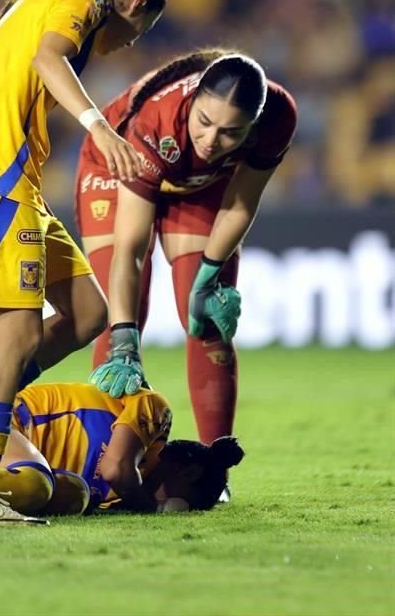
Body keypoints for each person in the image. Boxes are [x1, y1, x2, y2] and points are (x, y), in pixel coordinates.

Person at [0, 0, 168, 527]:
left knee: (88, 312)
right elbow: (47, 59)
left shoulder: (32, 0)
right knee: (16, 339)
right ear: (134, 8)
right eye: (136, 36)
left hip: (10, 182)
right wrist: (100, 130)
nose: (125, 47)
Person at [76, 49, 297, 464]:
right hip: (116, 165)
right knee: (121, 320)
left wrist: (208, 276)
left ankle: (216, 467)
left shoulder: (279, 117)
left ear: (255, 123)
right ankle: (103, 466)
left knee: (206, 321)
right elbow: (130, 250)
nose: (212, 141)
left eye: (231, 133)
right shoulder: (155, 119)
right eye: (205, 122)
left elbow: (241, 203)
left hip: (201, 183)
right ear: (193, 100)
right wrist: (125, 335)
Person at [0, 380, 244, 523]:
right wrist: (152, 508)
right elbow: (117, 468)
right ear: (188, 475)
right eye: (183, 502)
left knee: (71, 493)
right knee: (41, 484)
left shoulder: (110, 502)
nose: (170, 503)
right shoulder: (155, 411)